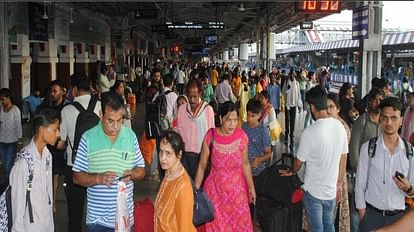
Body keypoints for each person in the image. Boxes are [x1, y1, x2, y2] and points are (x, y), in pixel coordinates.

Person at [72, 91, 145, 231]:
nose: (115, 127)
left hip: (124, 220)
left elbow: (141, 170)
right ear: (101, 115)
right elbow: (76, 177)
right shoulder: (88, 138)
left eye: (120, 120)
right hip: (97, 222)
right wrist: (98, 178)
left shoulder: (130, 137)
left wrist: (132, 174)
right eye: (110, 121)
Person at [280, 86, 348, 232]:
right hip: (330, 191)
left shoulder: (310, 132)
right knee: (329, 226)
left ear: (312, 107)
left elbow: (298, 162)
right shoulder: (339, 127)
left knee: (317, 228)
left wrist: (292, 171)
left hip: (314, 192)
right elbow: (343, 158)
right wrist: (339, 183)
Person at [194, 101, 256, 231]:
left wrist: (251, 188)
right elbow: (202, 166)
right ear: (221, 119)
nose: (232, 124)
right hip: (215, 194)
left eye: (235, 120)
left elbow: (245, 164)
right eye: (229, 120)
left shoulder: (242, 137)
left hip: (237, 195)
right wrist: (196, 191)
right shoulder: (210, 136)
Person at [355, 97, 414, 231]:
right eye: (385, 117)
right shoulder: (368, 148)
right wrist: (363, 215)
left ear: (401, 121)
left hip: (398, 219)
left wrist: (408, 188)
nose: (389, 122)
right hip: (371, 216)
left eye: (394, 118)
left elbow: (413, 190)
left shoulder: (410, 152)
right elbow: (359, 185)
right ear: (380, 119)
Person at [58, 73, 101, 232]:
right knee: (99, 212)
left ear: (74, 89)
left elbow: (61, 143)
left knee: (75, 214)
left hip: (74, 166)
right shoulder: (100, 106)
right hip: (97, 165)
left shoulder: (67, 110)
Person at [9, 108, 60, 231]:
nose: (58, 134)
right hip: (29, 227)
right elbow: (17, 205)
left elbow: (48, 194)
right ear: (42, 130)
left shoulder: (48, 156)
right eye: (55, 129)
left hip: (45, 224)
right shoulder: (23, 164)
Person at [348, 87, 385, 232]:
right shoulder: (362, 122)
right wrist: (360, 173)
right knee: (357, 210)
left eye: (380, 100)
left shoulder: (384, 123)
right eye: (374, 100)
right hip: (362, 176)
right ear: (369, 102)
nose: (377, 103)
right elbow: (353, 149)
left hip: (379, 177)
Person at [154, 131, 196, 232]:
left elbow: (184, 229)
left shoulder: (183, 187)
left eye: (168, 153)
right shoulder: (168, 172)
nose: (162, 158)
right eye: (161, 151)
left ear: (179, 154)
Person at [175, 78, 215, 179]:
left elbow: (211, 135)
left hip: (201, 157)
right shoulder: (182, 109)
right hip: (184, 156)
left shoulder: (208, 110)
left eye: (195, 96)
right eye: (189, 96)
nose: (192, 100)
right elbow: (178, 131)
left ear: (200, 94)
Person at [327, 93, 351, 232]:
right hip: (327, 178)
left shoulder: (343, 128)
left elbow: (342, 159)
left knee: (332, 217)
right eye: (326, 107)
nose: (328, 110)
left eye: (331, 107)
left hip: (337, 179)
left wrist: (339, 183)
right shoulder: (327, 124)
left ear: (338, 109)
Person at [242, 99, 272, 178]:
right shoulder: (244, 127)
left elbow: (269, 153)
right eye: (248, 115)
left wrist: (259, 160)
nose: (250, 119)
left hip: (259, 172)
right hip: (245, 170)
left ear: (259, 115)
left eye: (253, 116)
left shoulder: (263, 131)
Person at [0, 88, 22, 175]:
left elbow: (18, 126)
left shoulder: (15, 110)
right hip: (1, 141)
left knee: (8, 165)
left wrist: (20, 141)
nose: (2, 101)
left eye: (3, 99)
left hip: (12, 141)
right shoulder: (1, 109)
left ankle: (10, 182)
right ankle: (10, 180)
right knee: (5, 164)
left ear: (8, 98)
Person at [282, 68, 302, 144]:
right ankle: (286, 133)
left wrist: (300, 105)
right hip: (288, 104)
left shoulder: (297, 83)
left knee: (293, 121)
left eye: (293, 74)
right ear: (289, 74)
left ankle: (291, 135)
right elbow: (283, 92)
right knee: (287, 120)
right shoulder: (287, 82)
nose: (292, 75)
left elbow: (299, 95)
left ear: (295, 75)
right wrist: (287, 90)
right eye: (291, 74)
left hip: (294, 105)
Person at [258, 90, 279, 160]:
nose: (260, 100)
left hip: (268, 134)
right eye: (259, 98)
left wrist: (266, 127)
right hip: (261, 133)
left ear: (267, 99)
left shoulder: (270, 109)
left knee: (268, 153)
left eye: (262, 98)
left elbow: (273, 121)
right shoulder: (260, 108)